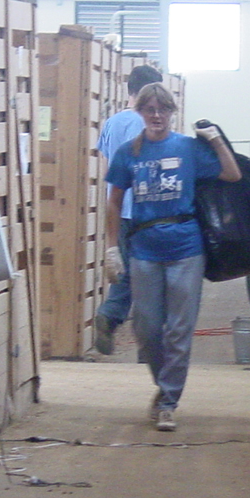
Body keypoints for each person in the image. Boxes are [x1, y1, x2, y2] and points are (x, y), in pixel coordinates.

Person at [105, 82, 241, 430]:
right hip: (144, 248)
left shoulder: (188, 148)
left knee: (179, 329)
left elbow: (232, 173)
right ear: (141, 113)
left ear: (171, 113)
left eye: (163, 109)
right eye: (150, 109)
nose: (156, 116)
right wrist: (110, 248)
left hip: (185, 247)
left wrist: (215, 140)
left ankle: (168, 400)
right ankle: (162, 383)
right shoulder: (128, 152)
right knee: (147, 327)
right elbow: (114, 200)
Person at [95, 63, 164, 355]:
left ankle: (112, 315)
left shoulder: (113, 122)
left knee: (129, 270)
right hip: (146, 209)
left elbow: (106, 159)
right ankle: (143, 336)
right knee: (151, 273)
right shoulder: (148, 124)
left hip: (118, 206)